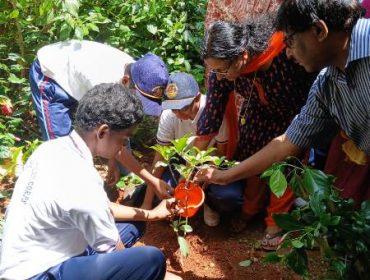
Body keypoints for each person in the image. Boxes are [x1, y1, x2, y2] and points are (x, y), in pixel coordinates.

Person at [195, 0, 370, 240]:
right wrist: (219, 174)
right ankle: (251, 211)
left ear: (319, 31)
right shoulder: (325, 85)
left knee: (292, 174)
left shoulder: (294, 64)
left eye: (290, 42)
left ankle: (274, 221)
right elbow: (287, 143)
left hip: (289, 114)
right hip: (274, 120)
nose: (288, 52)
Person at [0, 83, 181, 280]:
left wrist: (151, 215)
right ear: (102, 132)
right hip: (37, 274)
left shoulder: (51, 149)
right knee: (151, 259)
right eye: (123, 139)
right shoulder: (83, 179)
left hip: (30, 257)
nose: (122, 147)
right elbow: (116, 253)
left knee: (132, 226)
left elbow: (100, 208)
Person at [196, 14, 317, 249]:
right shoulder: (221, 68)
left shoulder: (285, 54)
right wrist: (190, 166)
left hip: (294, 115)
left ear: (242, 57)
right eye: (214, 71)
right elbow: (211, 116)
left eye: (222, 70)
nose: (219, 76)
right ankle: (250, 211)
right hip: (258, 113)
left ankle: (275, 223)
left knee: (285, 168)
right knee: (252, 160)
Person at [29, 40, 173, 200]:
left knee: (122, 130)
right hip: (52, 77)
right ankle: (70, 197)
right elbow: (110, 136)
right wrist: (152, 180)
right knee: (62, 149)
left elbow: (117, 136)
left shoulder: (140, 75)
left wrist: (113, 163)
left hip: (79, 78)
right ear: (125, 81)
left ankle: (123, 187)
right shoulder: (103, 80)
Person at [141, 72, 228, 226]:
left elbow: (221, 152)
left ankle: (206, 202)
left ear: (197, 98)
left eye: (184, 108)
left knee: (229, 196)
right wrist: (147, 204)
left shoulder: (214, 111)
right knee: (161, 193)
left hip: (206, 160)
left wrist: (209, 170)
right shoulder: (169, 116)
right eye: (174, 109)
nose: (179, 114)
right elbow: (159, 158)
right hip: (181, 160)